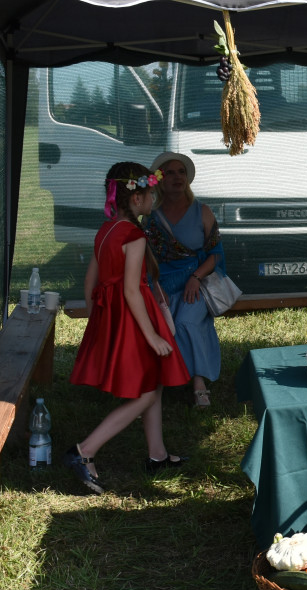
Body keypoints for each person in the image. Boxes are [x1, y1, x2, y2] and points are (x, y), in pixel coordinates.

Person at [65, 162, 192, 494]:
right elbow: (132, 290)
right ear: (136, 198)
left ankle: (157, 454)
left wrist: (99, 323)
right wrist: (151, 335)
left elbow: (90, 281)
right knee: (145, 391)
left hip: (115, 318)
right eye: (151, 194)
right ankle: (85, 451)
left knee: (155, 381)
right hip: (134, 318)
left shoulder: (105, 230)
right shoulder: (133, 234)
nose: (154, 199)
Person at [145, 152, 225, 408]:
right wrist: (155, 289)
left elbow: (216, 255)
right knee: (164, 323)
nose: (177, 177)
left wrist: (195, 277)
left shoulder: (202, 211)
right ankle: (161, 381)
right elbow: (146, 260)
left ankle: (198, 383)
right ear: (159, 180)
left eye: (182, 172)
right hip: (162, 284)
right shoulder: (151, 217)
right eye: (170, 172)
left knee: (186, 321)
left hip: (196, 282)